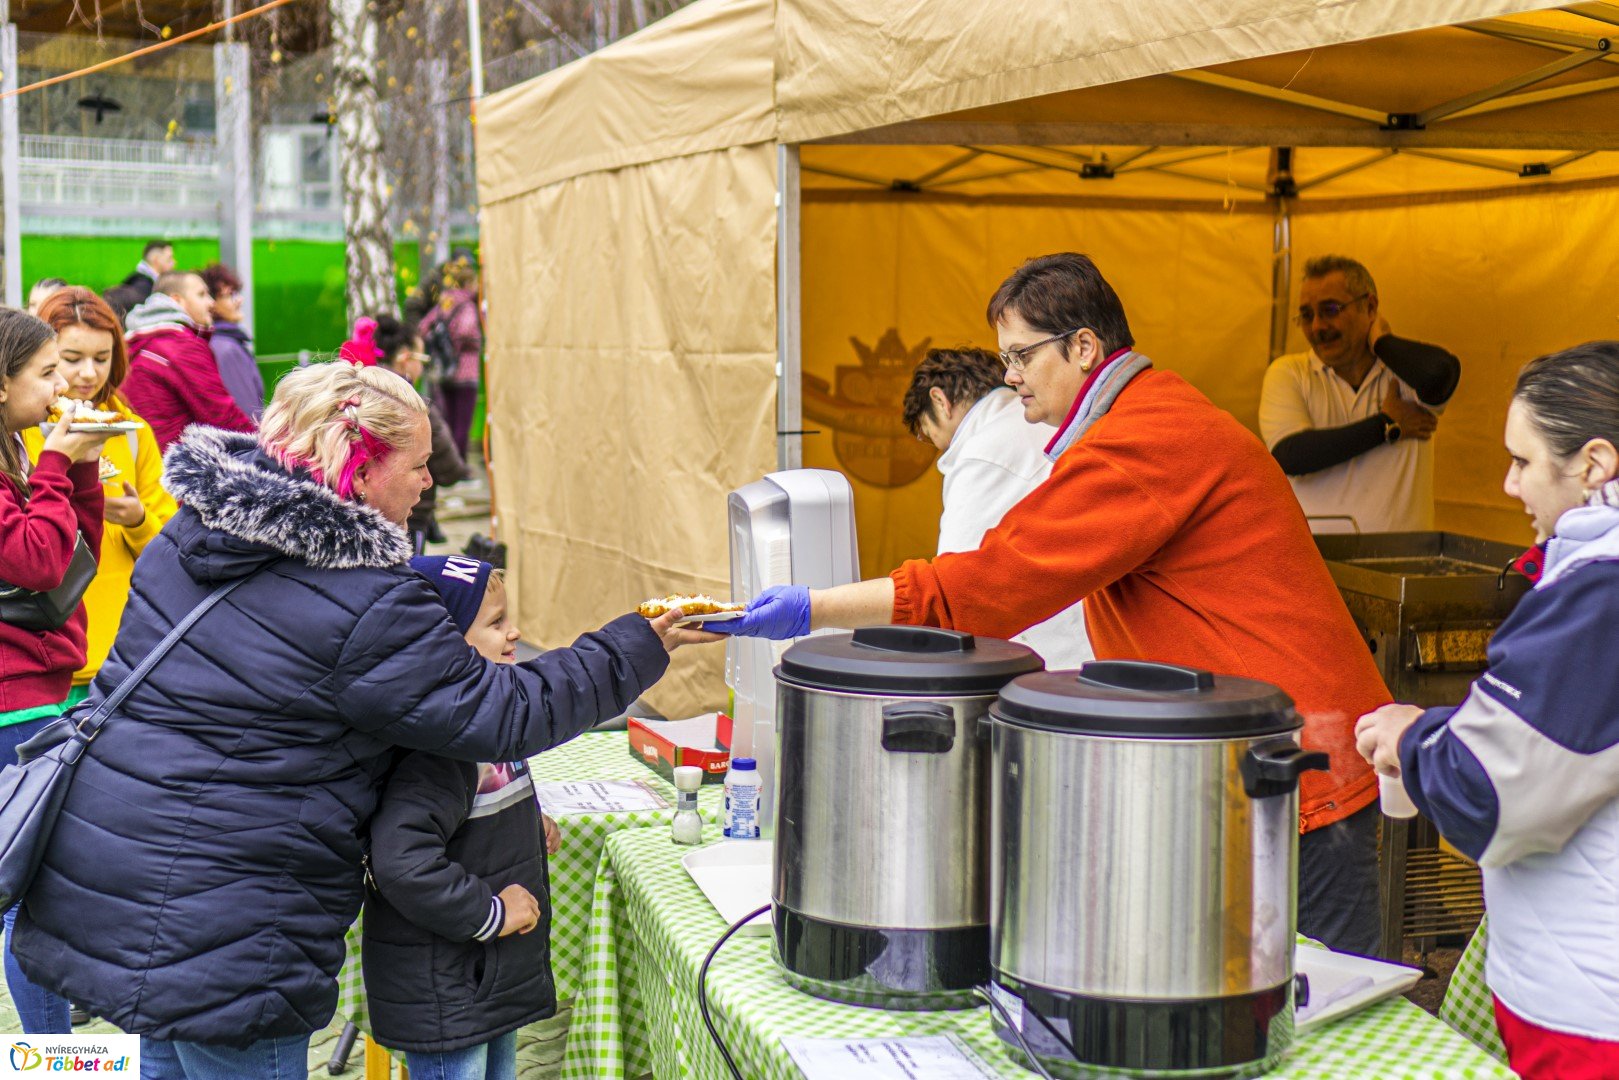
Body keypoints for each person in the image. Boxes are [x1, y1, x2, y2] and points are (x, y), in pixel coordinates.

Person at [9, 361, 719, 1077]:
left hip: (112, 860)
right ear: (361, 468)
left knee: (164, 1059)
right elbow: (502, 713)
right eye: (416, 464)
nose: (430, 482)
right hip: (228, 914)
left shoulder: (186, 540)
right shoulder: (369, 600)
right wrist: (634, 641)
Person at [718, 253, 1392, 955]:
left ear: (1082, 347)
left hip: (1294, 762)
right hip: (1262, 752)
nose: (1007, 377)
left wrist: (813, 608)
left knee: (1319, 1013)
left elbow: (989, 585)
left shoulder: (1145, 436)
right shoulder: (1140, 418)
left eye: (1019, 356)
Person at [1355, 341, 1619, 1079]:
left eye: (1523, 461)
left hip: (1591, 1014)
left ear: (1594, 465)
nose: (1506, 484)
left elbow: (1489, 794)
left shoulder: (1599, 595)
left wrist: (1415, 736)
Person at [364, 555, 565, 1080]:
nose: (514, 631)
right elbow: (402, 861)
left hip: (484, 979)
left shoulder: (486, 723)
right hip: (447, 987)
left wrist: (526, 822)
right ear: (446, 645)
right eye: (496, 623)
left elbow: (475, 807)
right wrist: (493, 913)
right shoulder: (439, 749)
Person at [0, 307, 115, 1034]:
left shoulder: (17, 450)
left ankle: (55, 1054)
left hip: (41, 689)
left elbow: (76, 567)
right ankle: (53, 1058)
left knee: (38, 889)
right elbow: (36, 560)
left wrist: (81, 473)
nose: (64, 384)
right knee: (24, 894)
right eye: (46, 372)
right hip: (11, 705)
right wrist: (54, 462)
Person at [902, 346, 1092, 669]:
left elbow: (952, 593)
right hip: (1092, 645)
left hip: (1050, 665)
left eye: (926, 433)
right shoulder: (1053, 420)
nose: (936, 446)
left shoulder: (982, 451)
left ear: (939, 401)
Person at [1259, 255, 1462, 533]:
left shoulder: (1403, 374)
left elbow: (1440, 373)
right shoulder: (1289, 372)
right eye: (1307, 315)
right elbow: (1292, 455)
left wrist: (1382, 342)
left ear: (1369, 307)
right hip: (1316, 561)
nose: (1317, 326)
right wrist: (1387, 425)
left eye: (1330, 309)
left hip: (1402, 562)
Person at [121, 270, 258, 451]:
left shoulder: (140, 343)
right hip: (175, 466)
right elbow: (221, 414)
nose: (211, 302)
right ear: (177, 300)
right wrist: (263, 448)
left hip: (143, 460)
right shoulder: (181, 345)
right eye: (202, 294)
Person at [373, 314, 469, 552]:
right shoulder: (415, 408)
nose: (422, 366)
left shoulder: (361, 393)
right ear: (406, 358)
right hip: (409, 516)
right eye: (422, 358)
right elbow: (450, 469)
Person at [419, 255, 484, 457]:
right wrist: (473, 340)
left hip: (444, 370)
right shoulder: (468, 306)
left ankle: (447, 463)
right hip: (465, 370)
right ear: (468, 283)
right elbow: (466, 330)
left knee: (446, 420)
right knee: (462, 423)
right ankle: (459, 467)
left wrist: (442, 342)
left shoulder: (444, 302)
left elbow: (423, 326)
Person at [201, 262, 265, 421]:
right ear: (211, 303)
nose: (239, 300)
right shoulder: (225, 349)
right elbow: (248, 412)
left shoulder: (223, 342)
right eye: (230, 295)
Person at [103, 240, 175, 318]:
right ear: (156, 259)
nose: (174, 262)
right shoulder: (143, 287)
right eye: (169, 258)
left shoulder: (139, 281)